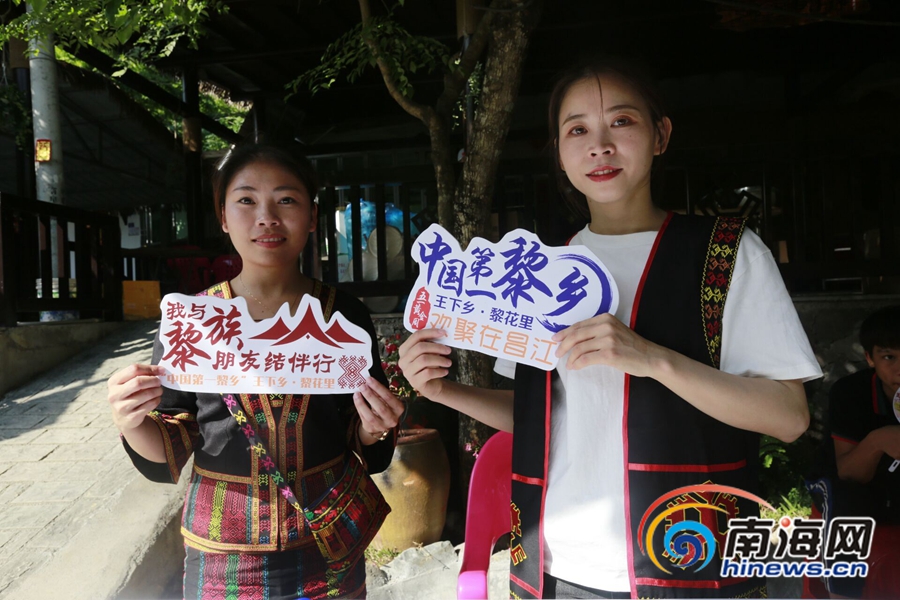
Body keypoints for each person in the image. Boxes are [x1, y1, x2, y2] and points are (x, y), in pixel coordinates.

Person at [399, 57, 822, 599]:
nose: (599, 146)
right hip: (557, 567)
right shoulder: (541, 271)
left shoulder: (726, 254)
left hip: (689, 564)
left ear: (660, 135)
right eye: (577, 130)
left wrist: (651, 358)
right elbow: (540, 418)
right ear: (559, 152)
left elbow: (788, 417)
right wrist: (443, 391)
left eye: (621, 121)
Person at [107, 144, 405, 600]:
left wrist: (375, 427)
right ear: (223, 217)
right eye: (246, 200)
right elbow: (168, 444)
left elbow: (363, 434)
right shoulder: (193, 320)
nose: (266, 217)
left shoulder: (344, 316)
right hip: (224, 550)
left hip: (329, 539)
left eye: (286, 199)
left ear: (312, 216)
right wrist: (130, 420)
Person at [805, 306, 900, 599]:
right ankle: (842, 594)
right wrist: (878, 441)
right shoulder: (851, 393)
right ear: (870, 358)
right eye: (889, 357)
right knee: (845, 500)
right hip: (848, 483)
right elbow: (849, 473)